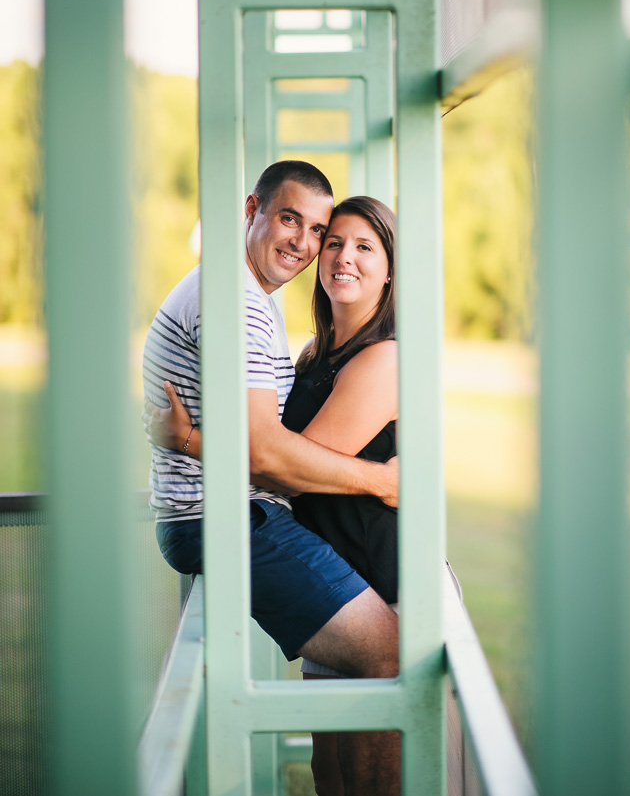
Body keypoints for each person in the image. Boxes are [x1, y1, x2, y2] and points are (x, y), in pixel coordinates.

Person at [143, 161, 399, 796]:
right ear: (251, 209)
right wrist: (381, 483)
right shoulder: (242, 305)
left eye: (319, 230)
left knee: (359, 675)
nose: (307, 244)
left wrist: (190, 441)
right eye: (294, 220)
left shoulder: (240, 298)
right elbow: (269, 455)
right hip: (225, 517)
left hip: (227, 516)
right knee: (387, 653)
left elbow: (269, 449)